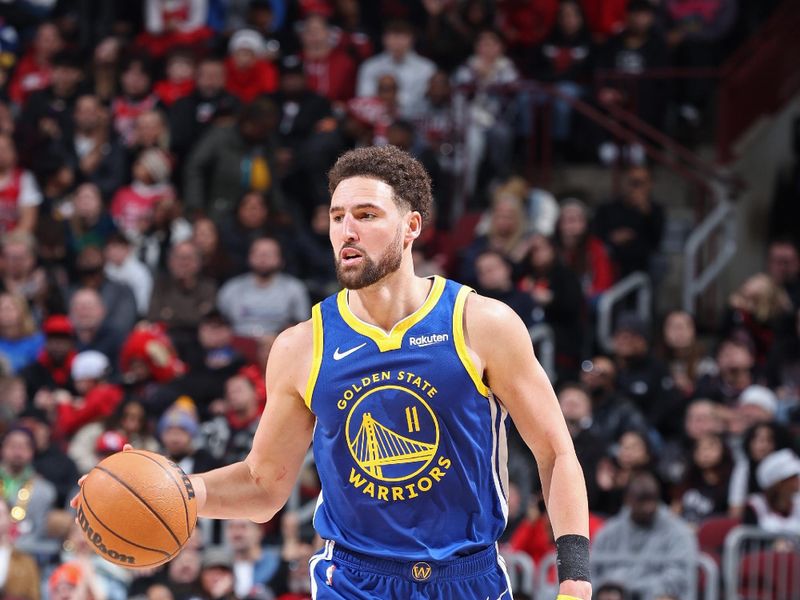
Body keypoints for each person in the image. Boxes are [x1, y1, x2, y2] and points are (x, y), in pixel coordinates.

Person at [76, 145, 592, 598]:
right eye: (337, 216)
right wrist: (177, 491)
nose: (347, 230)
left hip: (467, 578)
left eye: (366, 214)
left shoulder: (482, 324)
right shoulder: (302, 345)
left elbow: (555, 452)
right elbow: (263, 486)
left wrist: (574, 579)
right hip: (354, 581)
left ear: (411, 226)